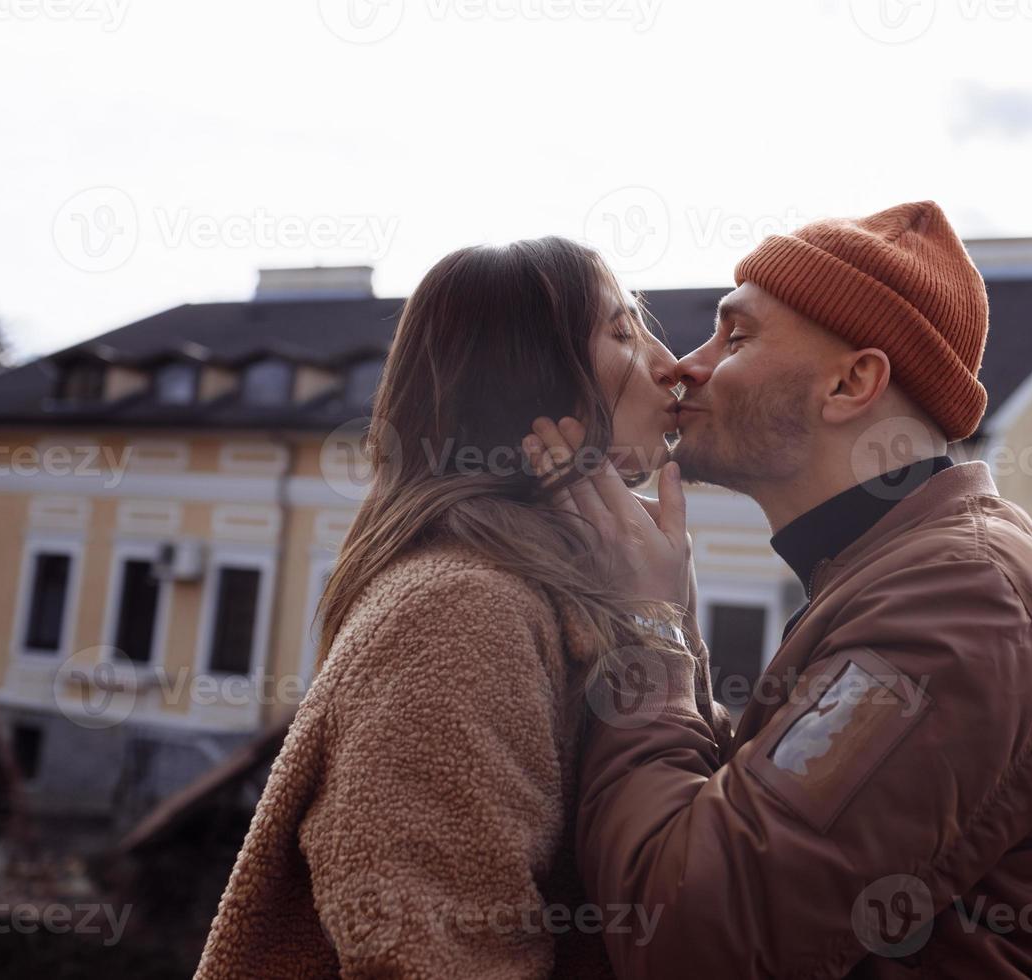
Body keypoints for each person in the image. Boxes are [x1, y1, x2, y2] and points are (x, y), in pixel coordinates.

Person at [528, 201, 1032, 978]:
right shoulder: (900, 575)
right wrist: (671, 628)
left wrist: (646, 634)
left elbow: (687, 937)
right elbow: (742, 825)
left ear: (853, 383)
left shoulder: (961, 606)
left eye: (737, 335)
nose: (689, 364)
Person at [196, 237, 726, 979]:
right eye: (620, 331)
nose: (670, 364)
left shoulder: (576, 592)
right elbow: (432, 954)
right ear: (532, 380)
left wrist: (664, 618)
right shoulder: (457, 611)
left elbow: (699, 827)